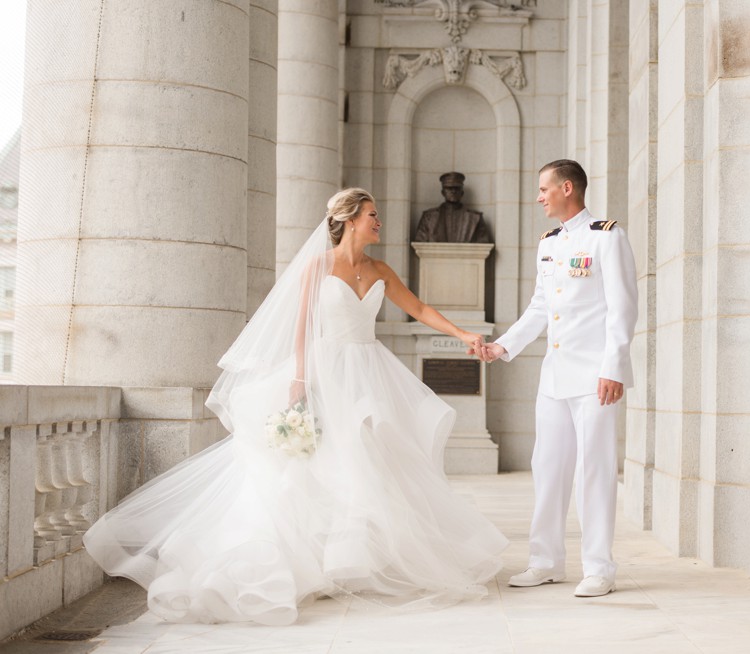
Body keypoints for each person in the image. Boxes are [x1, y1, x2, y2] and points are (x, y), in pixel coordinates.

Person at [83, 188, 508, 625]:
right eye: (372, 215)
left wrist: (464, 336)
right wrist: (300, 380)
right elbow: (303, 325)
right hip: (325, 369)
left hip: (367, 372)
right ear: (348, 220)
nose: (379, 222)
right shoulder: (317, 266)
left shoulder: (380, 269)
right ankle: (308, 563)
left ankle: (354, 562)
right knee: (312, 467)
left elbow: (418, 307)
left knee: (365, 461)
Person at [476, 160, 638, 598]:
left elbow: (623, 308)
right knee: (547, 468)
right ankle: (545, 561)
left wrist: (613, 367)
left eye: (545, 188)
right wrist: (502, 346)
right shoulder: (548, 244)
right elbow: (539, 309)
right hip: (554, 377)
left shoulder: (607, 236)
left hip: (594, 377)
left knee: (595, 471)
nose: (539, 197)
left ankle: (599, 568)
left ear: (568, 188)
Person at [412, 171, 492, 243]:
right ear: (443, 192)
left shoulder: (475, 218)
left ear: (462, 192)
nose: (453, 191)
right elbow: (420, 243)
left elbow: (483, 244)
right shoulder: (428, 217)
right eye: (449, 188)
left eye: (457, 188)